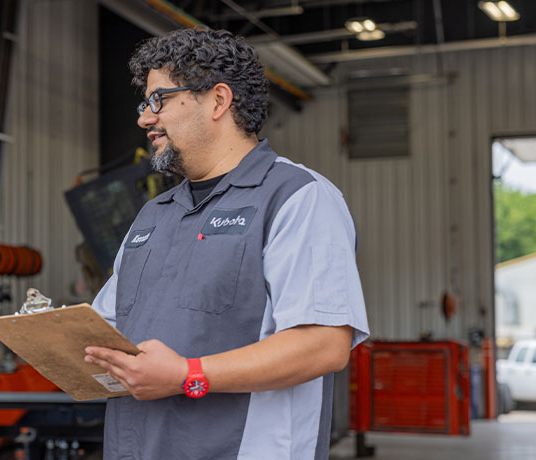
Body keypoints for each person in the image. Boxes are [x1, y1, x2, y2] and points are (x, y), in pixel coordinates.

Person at [84, 27, 370, 460]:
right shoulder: (154, 216)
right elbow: (106, 334)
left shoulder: (298, 197)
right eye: (145, 104)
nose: (145, 119)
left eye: (159, 100)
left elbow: (323, 344)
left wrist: (187, 375)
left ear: (219, 100)